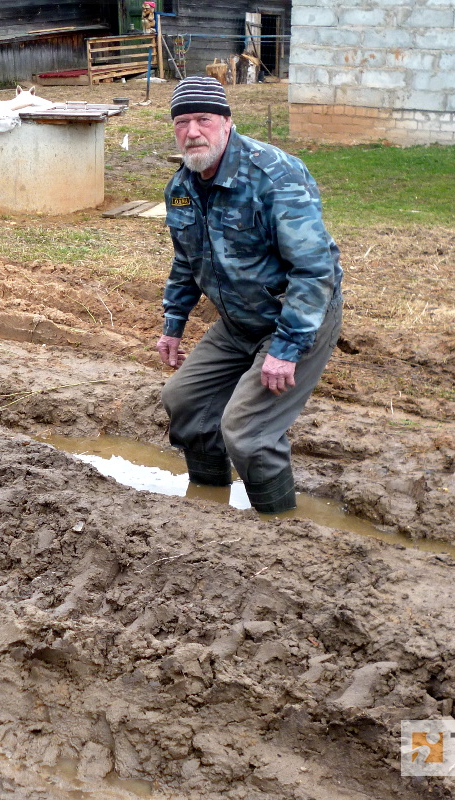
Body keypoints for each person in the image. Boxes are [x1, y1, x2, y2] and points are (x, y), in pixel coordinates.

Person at [157, 76, 343, 513]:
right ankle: (208, 503)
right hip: (239, 321)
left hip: (297, 320)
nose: (193, 132)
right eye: (182, 122)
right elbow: (187, 261)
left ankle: (278, 529)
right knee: (184, 400)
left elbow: (314, 270)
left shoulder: (275, 175)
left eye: (204, 119)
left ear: (227, 122)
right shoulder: (182, 188)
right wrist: (173, 325)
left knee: (246, 429)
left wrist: (287, 348)